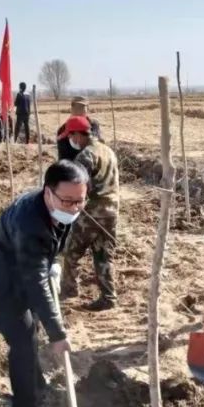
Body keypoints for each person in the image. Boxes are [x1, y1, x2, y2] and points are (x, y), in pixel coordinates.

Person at [0, 160, 89, 407]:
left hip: (22, 271)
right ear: (47, 192)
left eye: (80, 201)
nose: (74, 208)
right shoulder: (29, 222)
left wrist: (53, 262)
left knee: (33, 327)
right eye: (68, 201)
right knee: (23, 339)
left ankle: (36, 381)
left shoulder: (62, 207)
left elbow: (54, 241)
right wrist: (58, 334)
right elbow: (35, 282)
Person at [59, 116, 120, 311]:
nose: (72, 140)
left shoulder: (85, 156)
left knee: (70, 251)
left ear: (78, 134)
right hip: (112, 211)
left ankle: (69, 290)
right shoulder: (108, 151)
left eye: (72, 136)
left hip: (92, 213)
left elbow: (80, 186)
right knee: (103, 255)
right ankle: (108, 297)